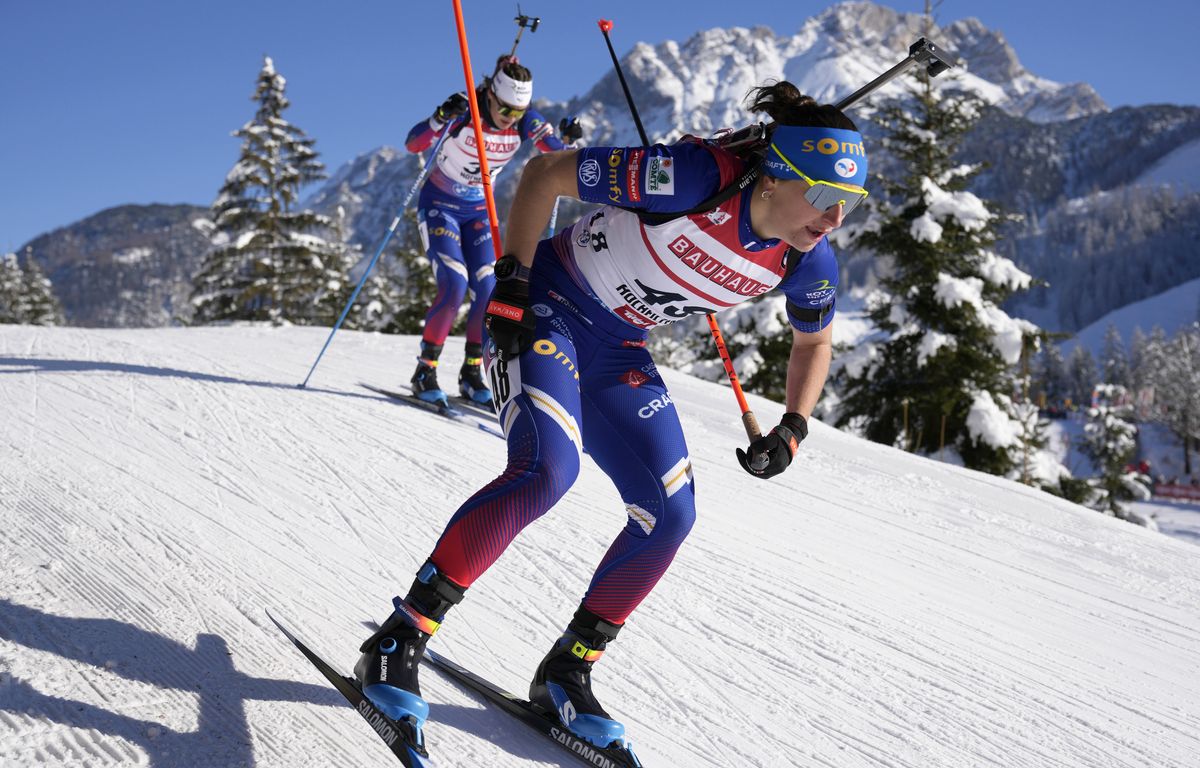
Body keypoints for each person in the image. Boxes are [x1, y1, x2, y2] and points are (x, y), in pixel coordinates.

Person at [355, 81, 868, 749]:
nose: (834, 220)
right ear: (774, 177)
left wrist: (794, 427)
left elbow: (814, 340)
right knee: (547, 472)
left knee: (671, 513)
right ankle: (400, 638)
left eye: (849, 204)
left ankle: (568, 671)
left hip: (619, 349)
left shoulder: (808, 261)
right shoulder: (690, 179)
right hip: (549, 312)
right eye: (825, 197)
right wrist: (511, 283)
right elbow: (543, 175)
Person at [403, 55, 583, 407]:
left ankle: (471, 372)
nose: (510, 118)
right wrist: (440, 117)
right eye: (505, 109)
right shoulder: (466, 108)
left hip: (479, 214)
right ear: (491, 95)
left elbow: (558, 157)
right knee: (454, 284)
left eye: (519, 111)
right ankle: (425, 369)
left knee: (488, 289)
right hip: (440, 205)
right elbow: (413, 144)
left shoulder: (525, 121)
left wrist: (570, 141)